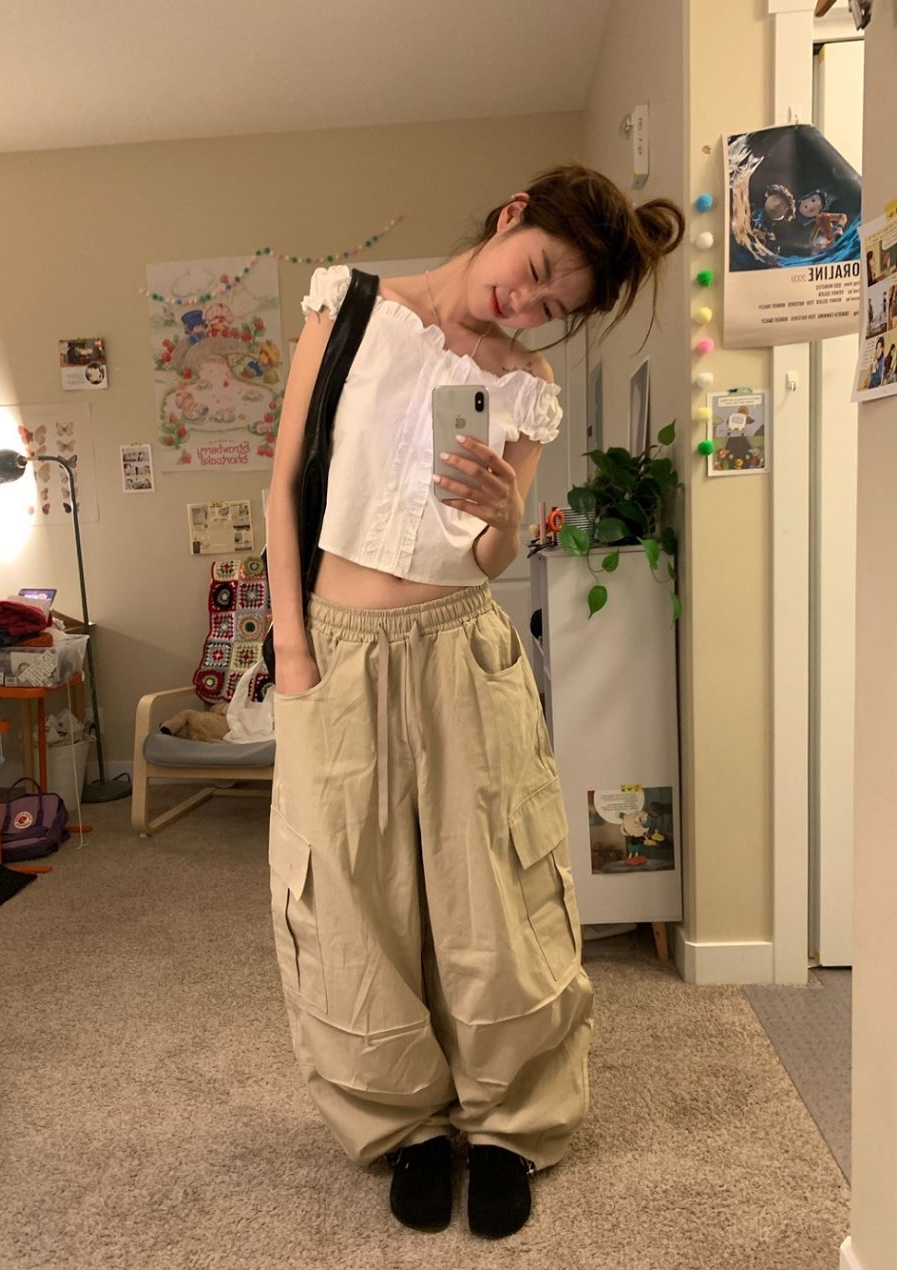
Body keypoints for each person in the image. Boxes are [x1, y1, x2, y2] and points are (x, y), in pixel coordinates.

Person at [265, 163, 685, 1240]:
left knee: (492, 890)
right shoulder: (347, 308)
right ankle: (403, 1122)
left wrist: (503, 512)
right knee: (350, 892)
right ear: (510, 217)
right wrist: (292, 652)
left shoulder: (525, 387)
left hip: (462, 645)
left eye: (553, 306)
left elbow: (492, 560)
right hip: (338, 648)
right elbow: (282, 488)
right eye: (535, 271)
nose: (526, 305)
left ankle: (510, 1124)